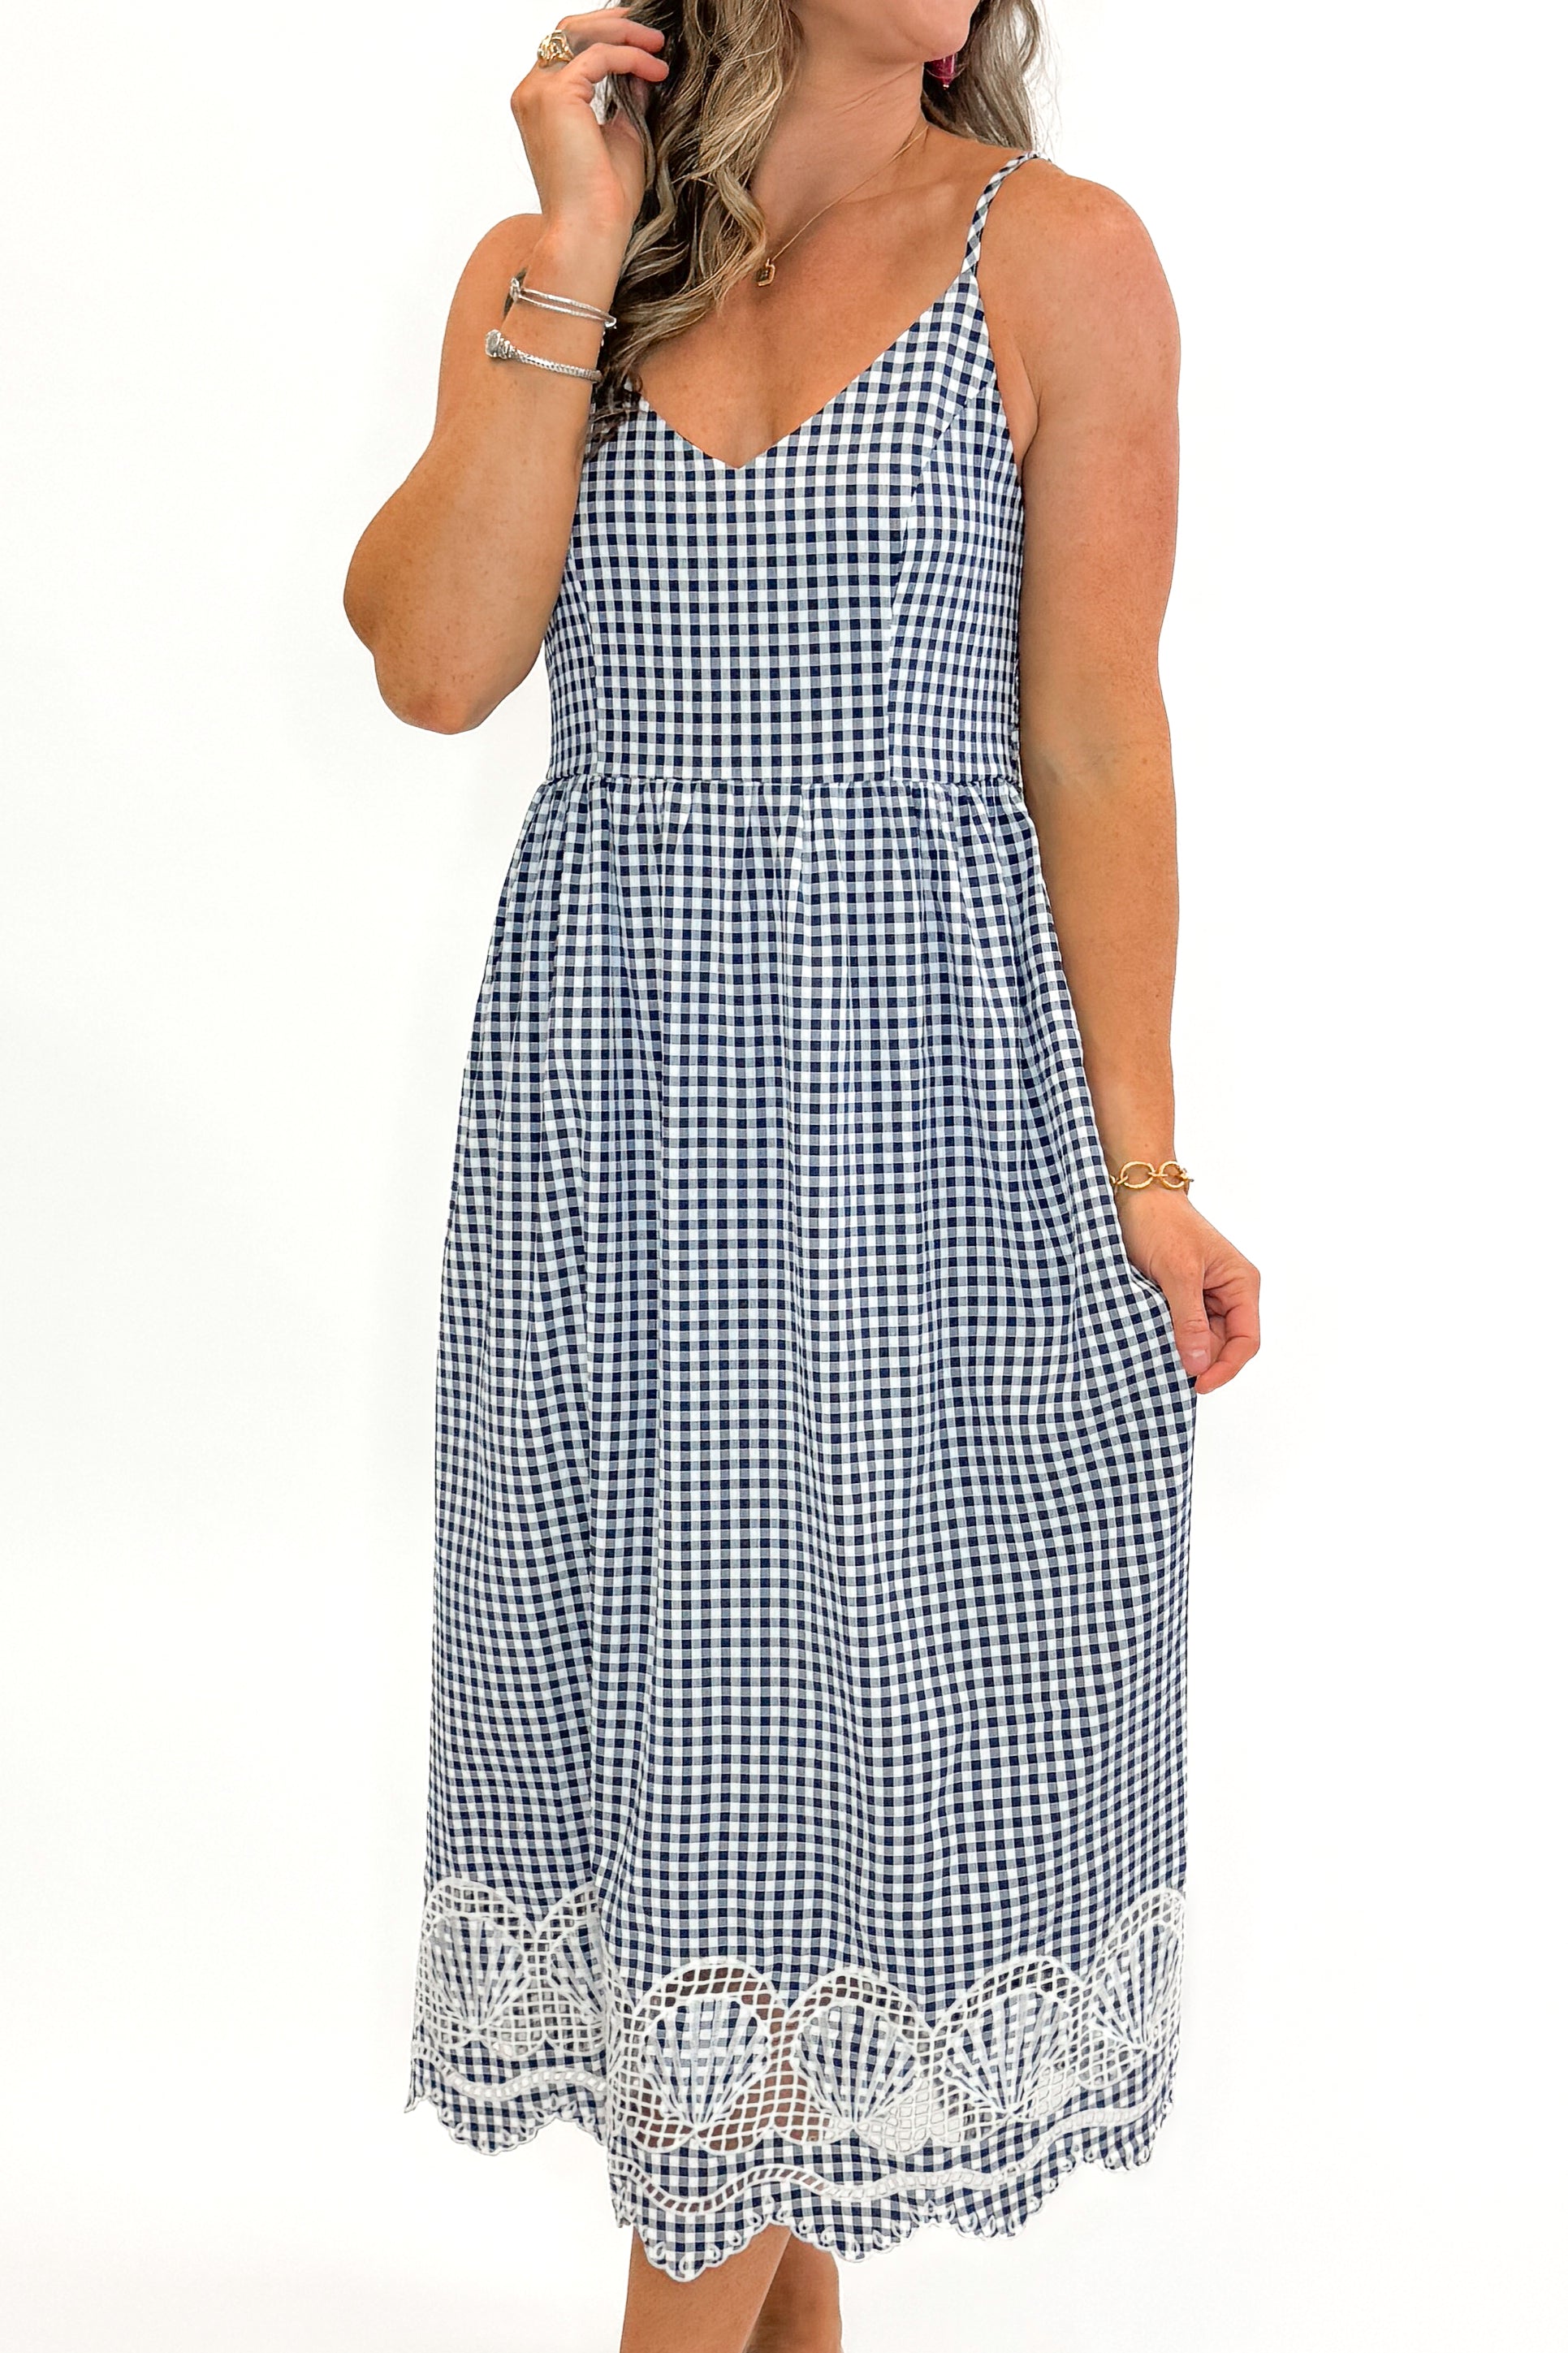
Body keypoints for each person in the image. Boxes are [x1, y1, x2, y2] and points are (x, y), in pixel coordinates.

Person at [343, 5, 1260, 2347]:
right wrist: (574, 237)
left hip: (927, 1127)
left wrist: (1144, 1161)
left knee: (817, 1797)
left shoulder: (1052, 257)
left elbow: (1091, 733)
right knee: (701, 1783)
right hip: (614, 1134)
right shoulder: (555, 274)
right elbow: (439, 665)